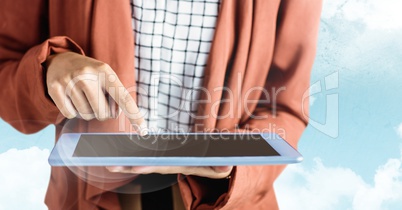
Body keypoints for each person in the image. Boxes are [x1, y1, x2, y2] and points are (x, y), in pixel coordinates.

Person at [0, 0, 322, 209]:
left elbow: (286, 106)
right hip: (88, 200)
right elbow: (6, 68)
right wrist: (49, 70)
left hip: (223, 199)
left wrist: (236, 168)